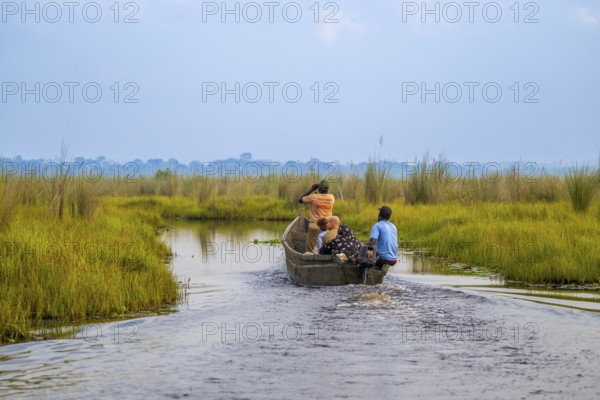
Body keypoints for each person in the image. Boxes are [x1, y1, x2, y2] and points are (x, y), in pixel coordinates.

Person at [299, 180, 334, 253]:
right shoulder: (331, 197)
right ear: (327, 189)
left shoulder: (313, 197)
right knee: (326, 249)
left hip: (315, 227)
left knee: (310, 251)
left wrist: (311, 190)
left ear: (319, 189)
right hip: (327, 228)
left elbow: (300, 200)